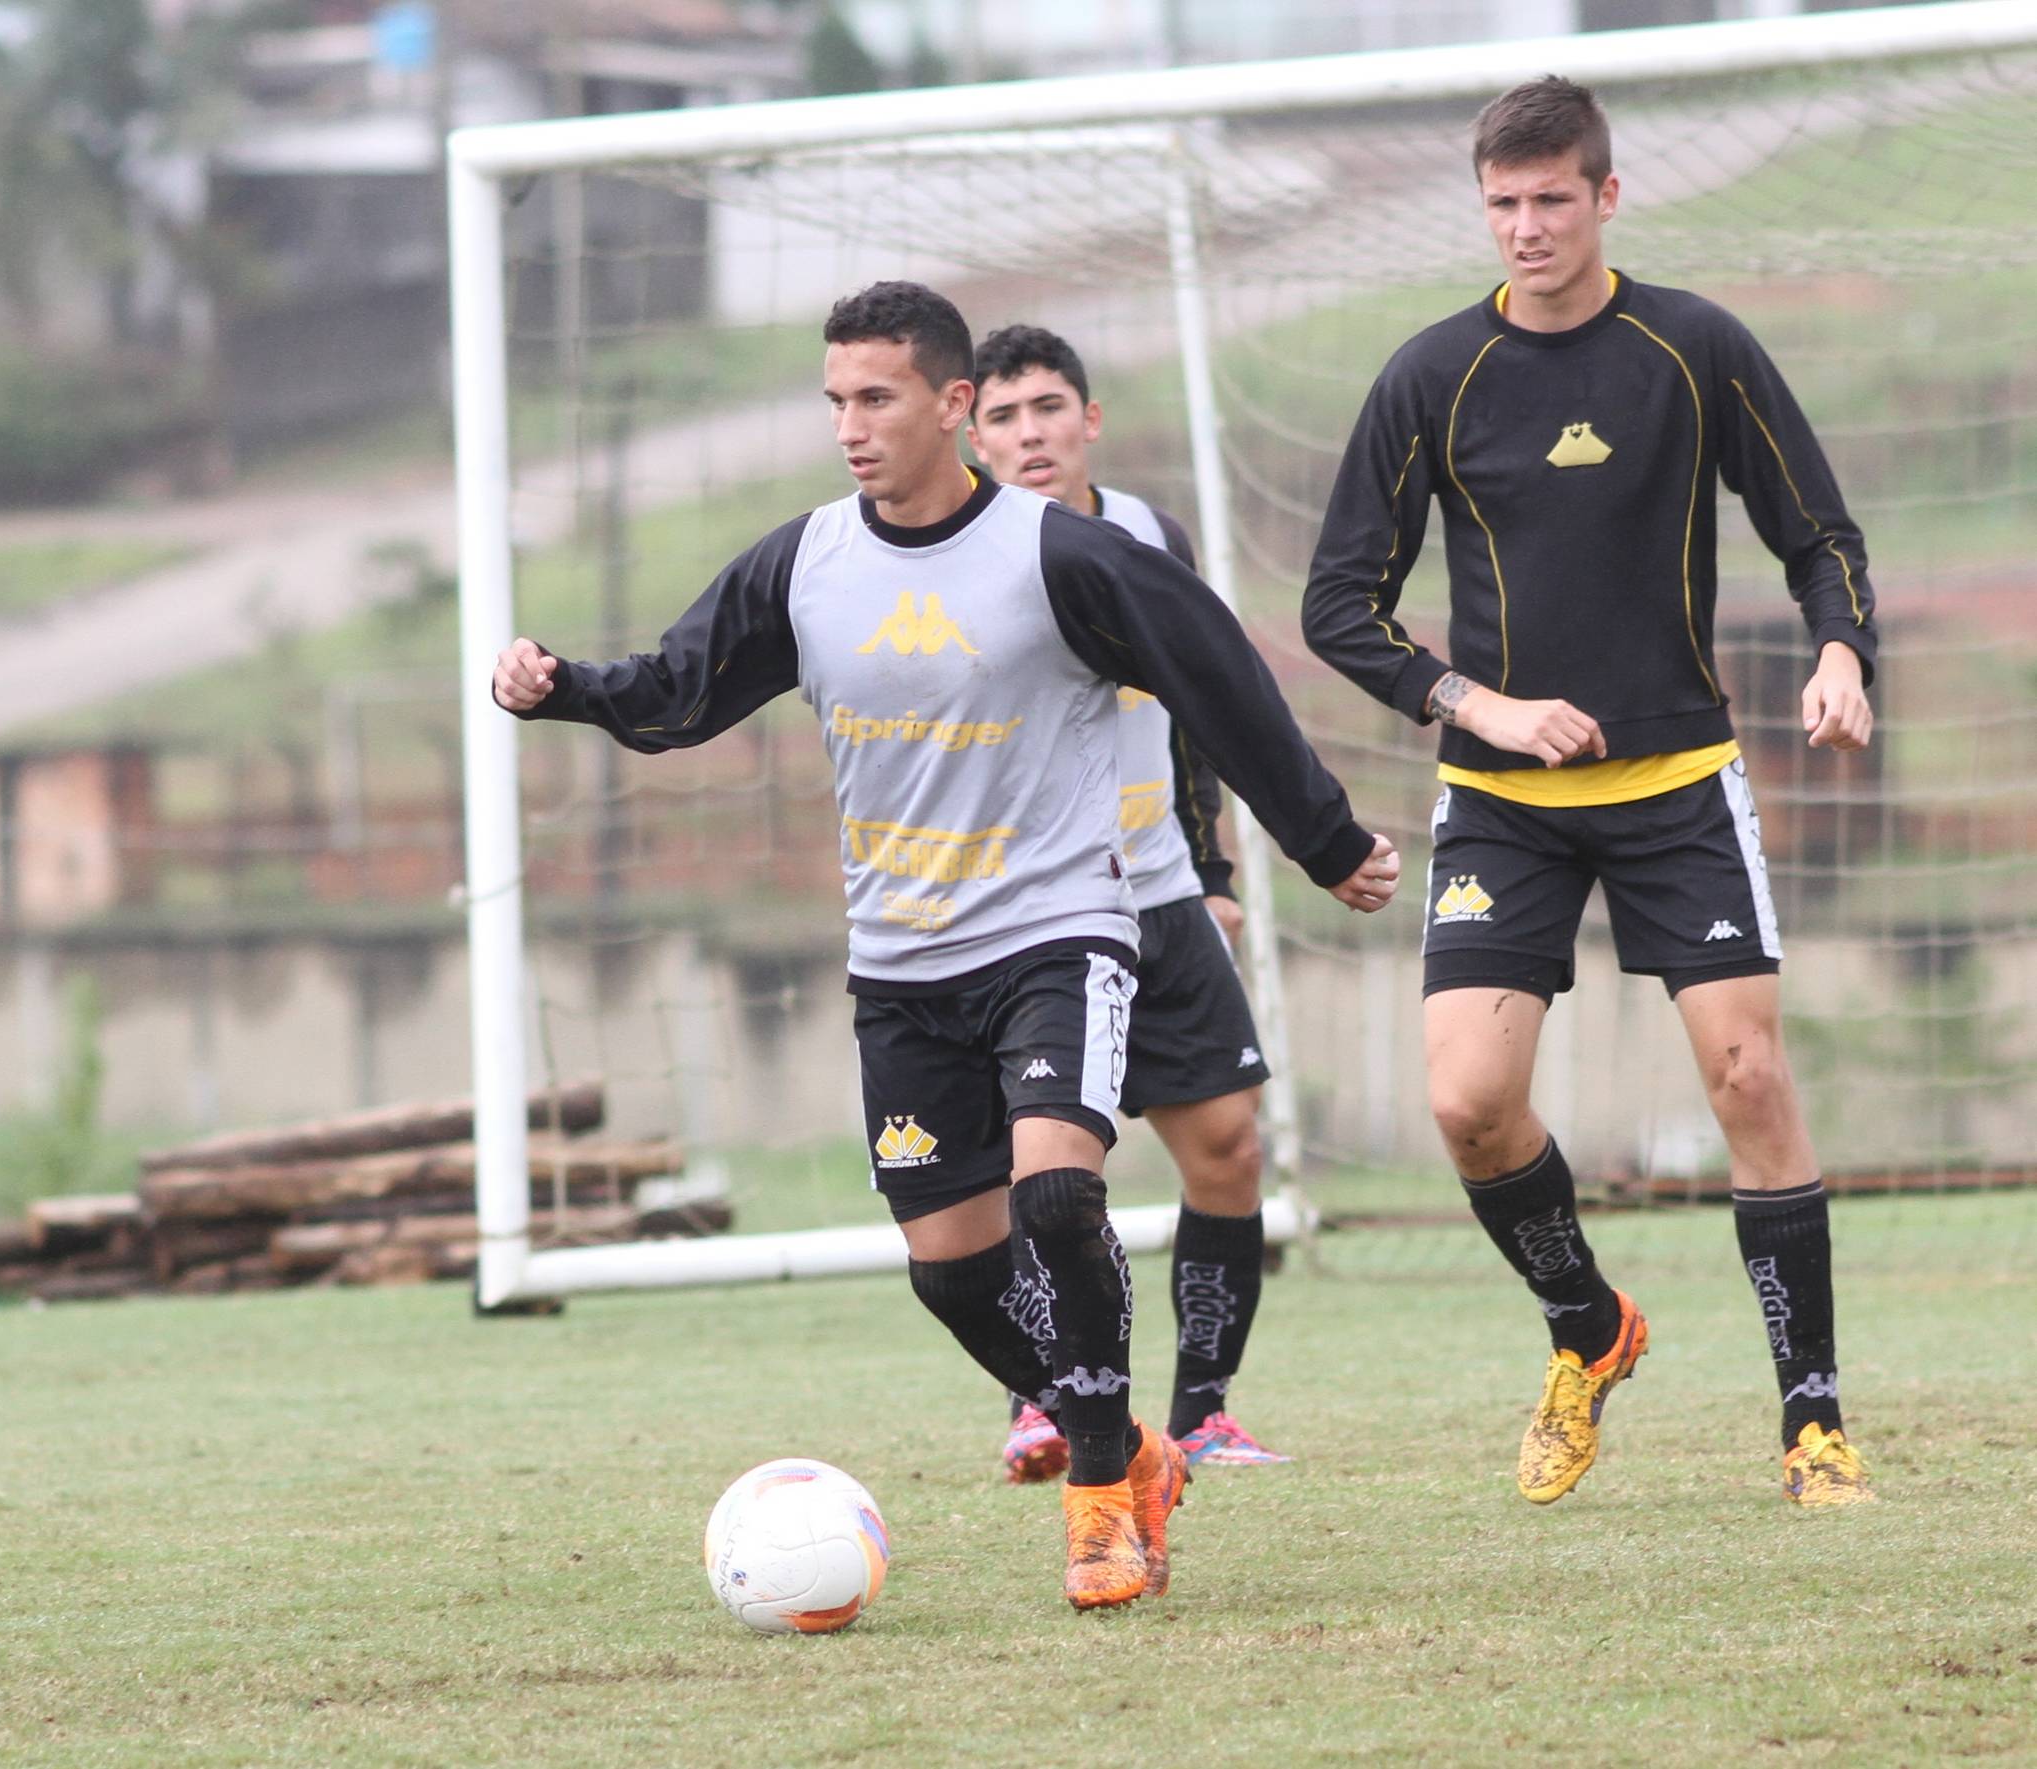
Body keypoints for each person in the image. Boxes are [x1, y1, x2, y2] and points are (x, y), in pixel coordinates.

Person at [493, 281, 1401, 1608]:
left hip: (1061, 932)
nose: (850, 426)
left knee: (1056, 1195)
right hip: (901, 968)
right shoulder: (804, 562)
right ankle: (1130, 1448)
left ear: (951, 404)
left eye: (876, 398)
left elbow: (1214, 670)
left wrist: (1321, 839)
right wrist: (564, 687)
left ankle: (1099, 1505)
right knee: (950, 1272)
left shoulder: (1059, 555)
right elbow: (683, 690)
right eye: (835, 401)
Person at [1300, 76, 1878, 1506]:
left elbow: (1818, 534)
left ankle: (1810, 1426)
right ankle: (1587, 1327)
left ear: (1604, 197)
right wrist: (1475, 702)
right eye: (1500, 202)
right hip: (1499, 799)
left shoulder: (1691, 347)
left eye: (1551, 198)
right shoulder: (1429, 377)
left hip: (1678, 779)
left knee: (1745, 1078)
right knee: (1465, 1104)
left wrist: (1840, 652)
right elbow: (1336, 607)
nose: (1524, 226)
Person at [966, 323, 1290, 1479]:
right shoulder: (954, 558)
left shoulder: (1153, 535)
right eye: (1001, 416)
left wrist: (1212, 872)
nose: (1028, 433)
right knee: (1042, 1174)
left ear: (1088, 418)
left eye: (1047, 406)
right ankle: (1043, 1401)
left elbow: (1203, 700)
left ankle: (1202, 1410)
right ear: (971, 433)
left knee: (1227, 1151)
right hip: (1021, 915)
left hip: (1156, 895)